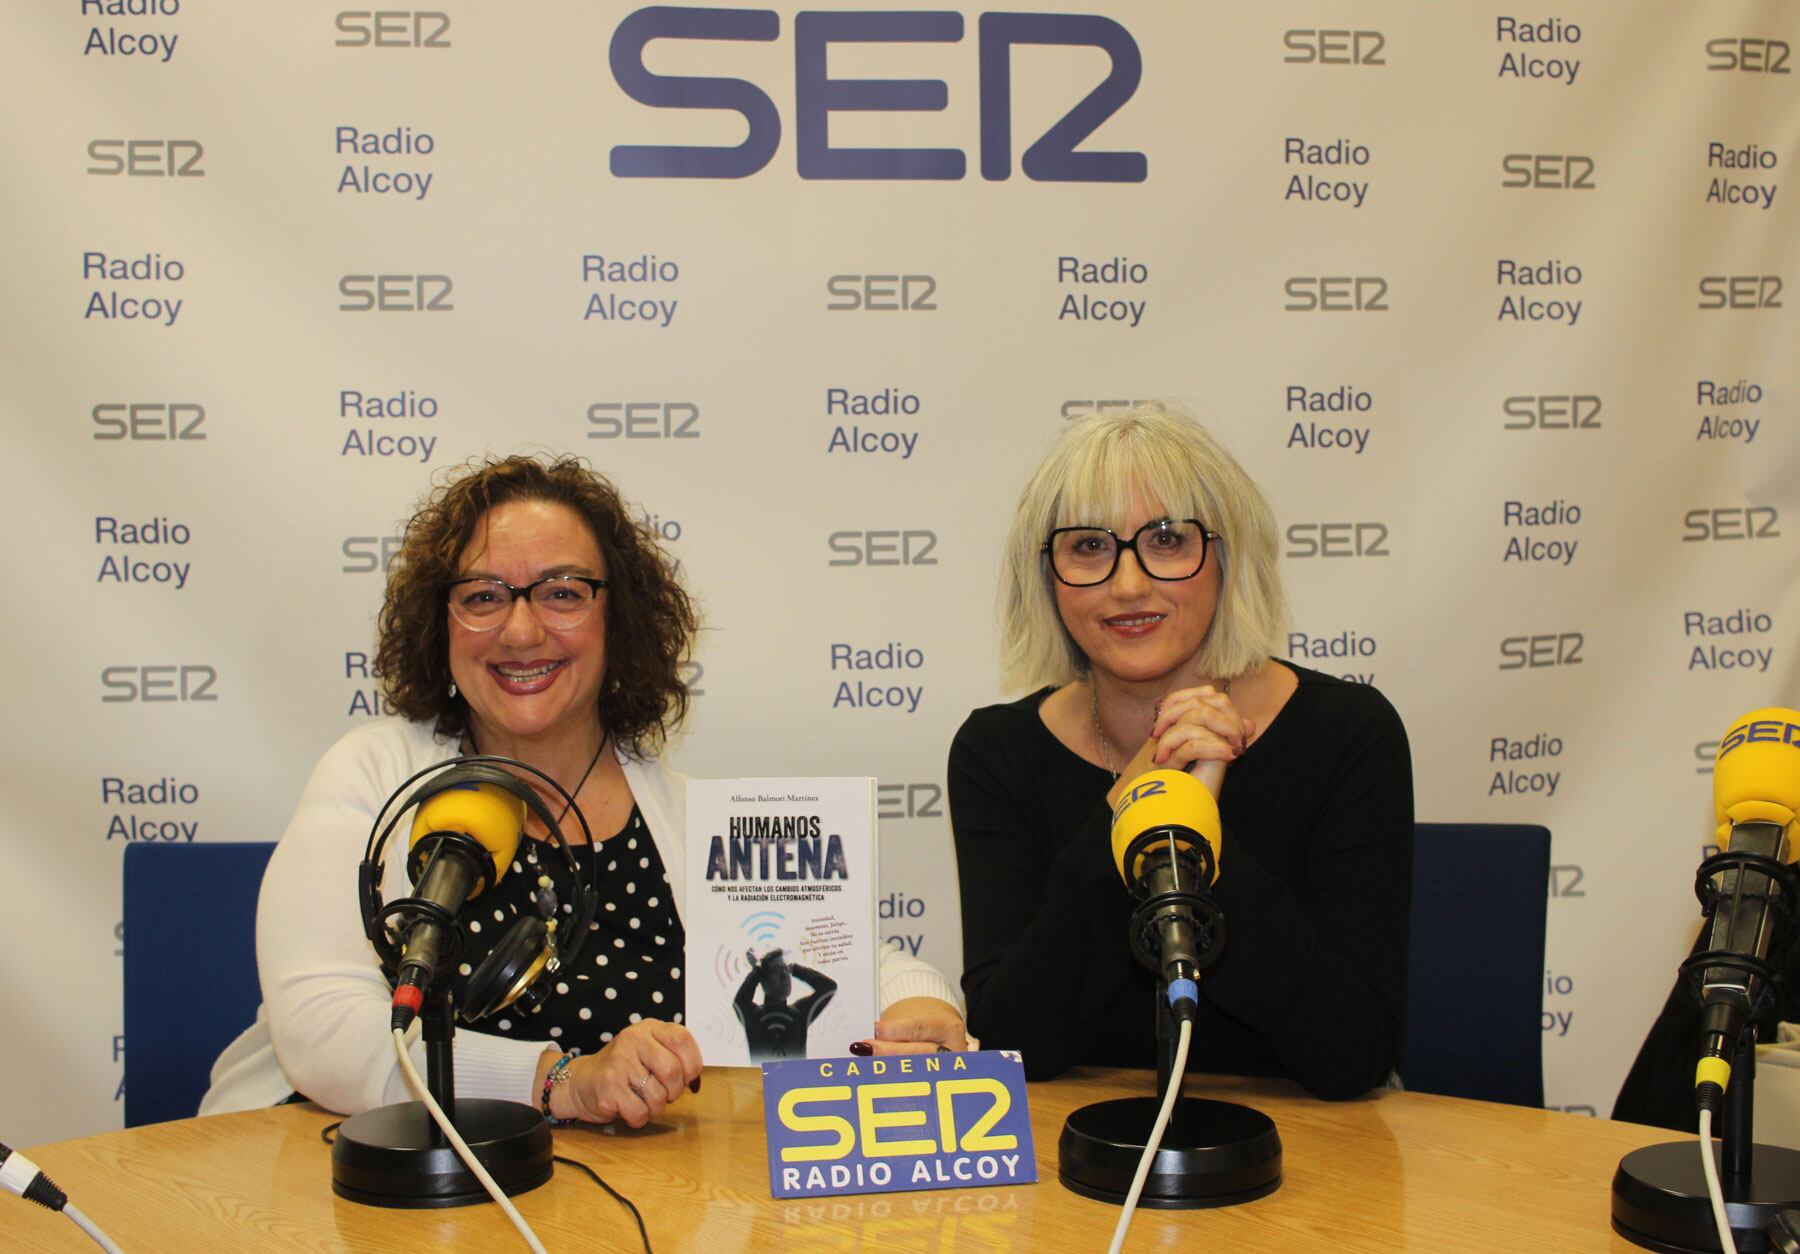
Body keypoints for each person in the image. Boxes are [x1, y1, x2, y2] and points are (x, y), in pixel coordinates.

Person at [203, 454, 967, 1128]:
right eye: (482, 596)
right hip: (348, 1169)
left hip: (614, 1197)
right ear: (441, 624)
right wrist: (560, 1081)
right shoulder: (377, 775)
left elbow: (863, 963)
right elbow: (322, 1030)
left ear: (619, 620)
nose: (521, 631)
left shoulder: (687, 817)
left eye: (563, 593)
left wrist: (920, 1008)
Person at [949, 402, 1413, 1097]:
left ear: (1226, 559)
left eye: (1167, 540)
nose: (1128, 584)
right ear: (1045, 578)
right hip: (1082, 1155)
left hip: (1306, 1158)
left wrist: (1196, 834)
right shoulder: (998, 752)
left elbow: (1351, 1056)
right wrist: (1141, 801)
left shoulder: (1347, 732)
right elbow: (1016, 1044)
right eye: (1089, 547)